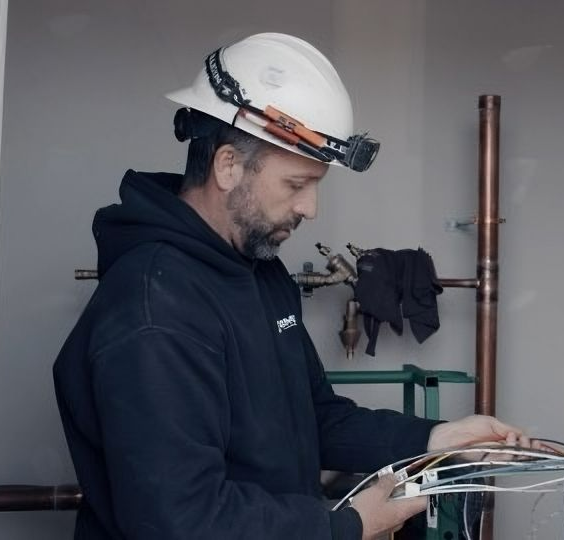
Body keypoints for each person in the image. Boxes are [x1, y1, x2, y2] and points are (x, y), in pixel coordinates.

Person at [53, 33, 531, 540]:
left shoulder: (258, 272)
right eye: (296, 184)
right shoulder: (156, 310)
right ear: (228, 165)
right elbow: (181, 520)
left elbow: (315, 418)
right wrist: (348, 526)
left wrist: (436, 439)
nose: (310, 208)